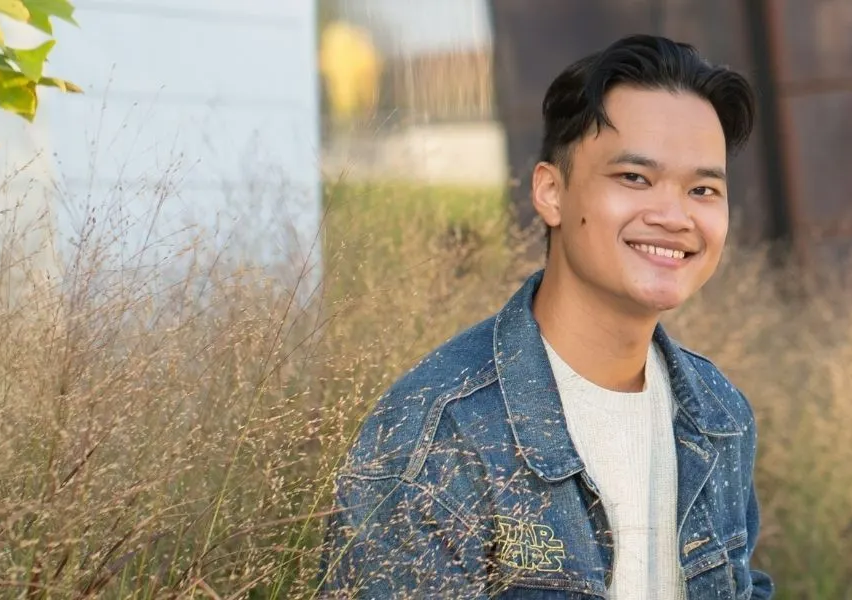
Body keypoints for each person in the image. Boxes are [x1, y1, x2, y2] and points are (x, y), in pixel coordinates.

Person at [319, 35, 771, 599]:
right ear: (551, 192)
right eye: (635, 178)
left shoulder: (719, 414)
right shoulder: (440, 436)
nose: (675, 216)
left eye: (702, 189)